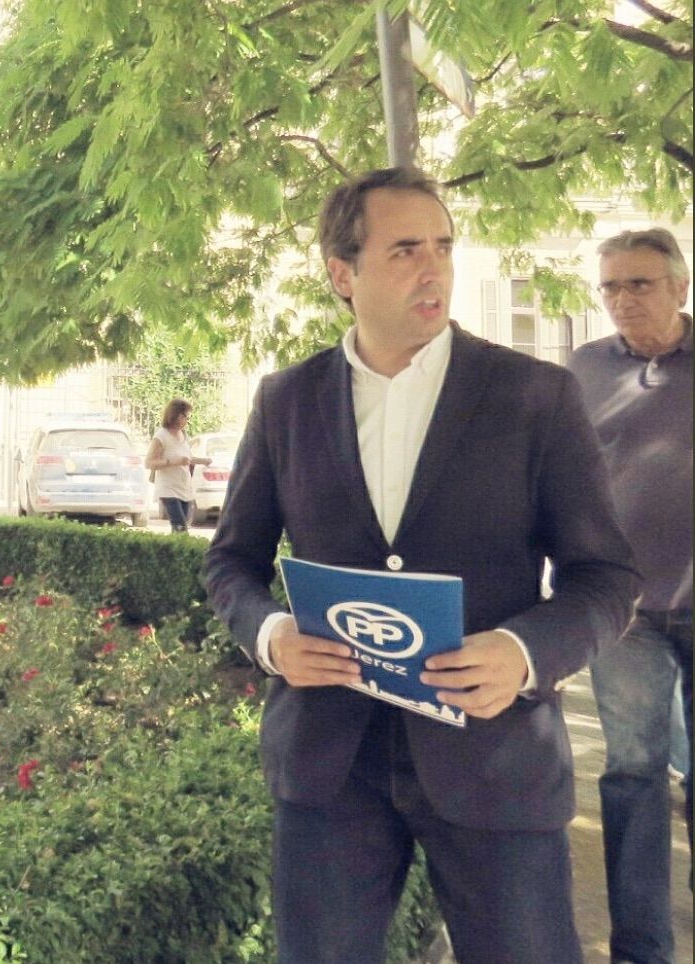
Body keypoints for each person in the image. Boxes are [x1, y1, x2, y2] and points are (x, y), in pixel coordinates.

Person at [203, 167, 639, 962]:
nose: (433, 267)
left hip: (494, 755)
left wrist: (523, 652)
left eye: (443, 245)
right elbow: (231, 560)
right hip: (329, 763)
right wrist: (268, 636)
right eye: (405, 250)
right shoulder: (286, 402)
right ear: (343, 273)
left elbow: (606, 578)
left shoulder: (535, 396)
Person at [566, 227, 692, 964]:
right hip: (626, 614)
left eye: (638, 284)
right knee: (633, 773)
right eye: (609, 286)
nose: (620, 300)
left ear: (680, 287)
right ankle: (642, 947)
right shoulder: (583, 369)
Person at [146, 398, 209, 532]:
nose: (187, 421)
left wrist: (203, 461)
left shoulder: (183, 434)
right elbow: (149, 462)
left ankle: (173, 550)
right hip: (168, 488)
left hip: (184, 487)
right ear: (176, 415)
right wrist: (174, 462)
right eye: (185, 416)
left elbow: (187, 458)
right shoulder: (161, 436)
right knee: (180, 526)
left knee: (182, 526)